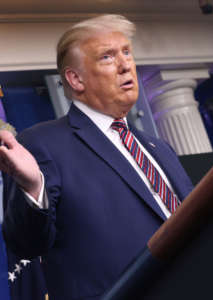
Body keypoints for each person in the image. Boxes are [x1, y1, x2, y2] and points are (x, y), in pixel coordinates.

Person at [0, 14, 193, 300]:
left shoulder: (158, 147)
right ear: (75, 79)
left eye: (127, 52)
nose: (126, 64)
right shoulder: (42, 144)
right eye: (107, 57)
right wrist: (32, 189)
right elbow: (27, 243)